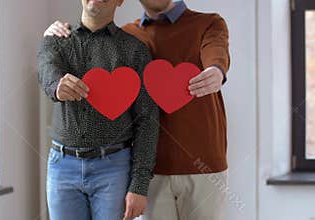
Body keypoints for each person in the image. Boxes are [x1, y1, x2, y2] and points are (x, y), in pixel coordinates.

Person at [45, 0, 231, 219]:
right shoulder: (127, 37)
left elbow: (216, 52)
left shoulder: (209, 23)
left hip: (204, 167)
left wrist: (216, 70)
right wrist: (52, 34)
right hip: (153, 170)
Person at [37, 0, 160, 219]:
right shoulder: (56, 40)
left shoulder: (135, 51)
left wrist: (139, 185)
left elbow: (147, 120)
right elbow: (46, 68)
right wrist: (56, 86)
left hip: (115, 168)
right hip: (61, 167)